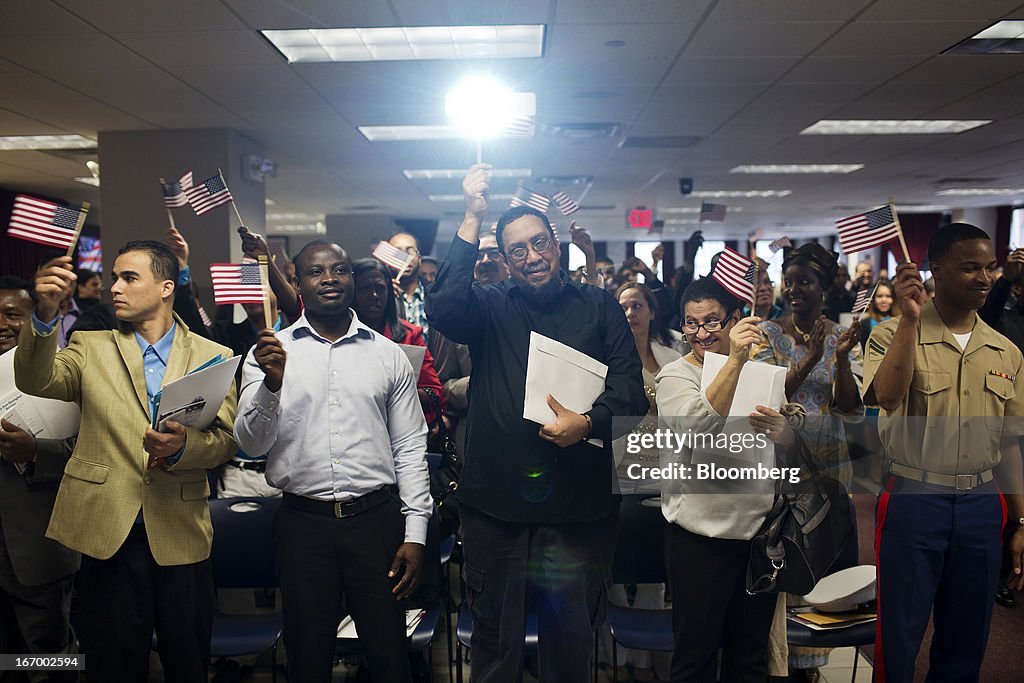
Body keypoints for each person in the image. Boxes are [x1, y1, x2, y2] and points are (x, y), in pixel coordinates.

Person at [427, 164, 648, 682]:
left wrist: (588, 424)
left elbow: (630, 393)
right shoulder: (488, 308)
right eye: (517, 250)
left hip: (578, 512)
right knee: (495, 648)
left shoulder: (599, 309)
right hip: (495, 512)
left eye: (540, 243)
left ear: (557, 244)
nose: (532, 257)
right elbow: (443, 308)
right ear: (504, 261)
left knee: (570, 650)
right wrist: (472, 216)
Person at [15, 242, 238, 682]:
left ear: (166, 287)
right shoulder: (89, 345)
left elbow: (224, 442)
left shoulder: (215, 355)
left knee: (187, 662)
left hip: (181, 533)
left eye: (129, 278)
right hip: (107, 533)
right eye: (114, 277)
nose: (114, 287)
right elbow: (36, 379)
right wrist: (43, 315)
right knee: (112, 665)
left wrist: (182, 447)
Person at [234, 240, 432, 683]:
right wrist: (271, 385)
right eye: (316, 272)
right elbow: (250, 442)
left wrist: (415, 532)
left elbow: (411, 448)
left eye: (339, 269)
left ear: (353, 279)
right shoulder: (269, 352)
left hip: (376, 522)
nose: (329, 279)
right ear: (298, 283)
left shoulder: (387, 354)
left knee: (389, 657)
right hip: (303, 525)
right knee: (307, 656)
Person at [864, 223, 1024, 682]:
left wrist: (1019, 521)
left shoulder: (1005, 351)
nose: (985, 278)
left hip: (980, 502)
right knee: (899, 634)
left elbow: (1009, 442)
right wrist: (911, 320)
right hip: (914, 498)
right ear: (937, 270)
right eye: (970, 267)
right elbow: (888, 397)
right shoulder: (891, 333)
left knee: (967, 636)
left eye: (990, 267)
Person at [657, 276, 792, 683]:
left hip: (757, 540)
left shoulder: (765, 374)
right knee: (694, 659)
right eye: (691, 324)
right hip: (700, 541)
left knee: (749, 661)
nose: (701, 334)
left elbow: (783, 449)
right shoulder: (674, 376)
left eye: (712, 322)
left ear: (734, 320)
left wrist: (785, 433)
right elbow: (696, 426)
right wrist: (734, 360)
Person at [751, 243, 863, 681]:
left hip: (830, 470)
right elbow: (767, 402)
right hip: (780, 470)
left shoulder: (843, 335)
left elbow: (850, 408)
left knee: (822, 569)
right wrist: (810, 359)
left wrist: (836, 359)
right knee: (784, 565)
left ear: (825, 286)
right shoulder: (767, 334)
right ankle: (778, 660)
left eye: (805, 281)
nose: (794, 289)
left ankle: (811, 668)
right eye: (790, 280)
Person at [0, 276, 80, 680]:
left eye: (13, 315)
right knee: (7, 664)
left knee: (49, 661)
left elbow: (97, 455)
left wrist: (36, 453)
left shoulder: (67, 373)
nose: (1, 324)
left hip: (37, 549)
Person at [605, 281, 685, 680]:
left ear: (652, 312)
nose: (631, 313)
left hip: (664, 465)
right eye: (624, 306)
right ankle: (619, 656)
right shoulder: (607, 358)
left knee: (655, 563)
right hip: (619, 464)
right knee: (619, 561)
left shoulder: (673, 358)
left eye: (638, 305)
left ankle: (649, 658)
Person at [351, 258, 446, 425]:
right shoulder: (339, 334)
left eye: (380, 288)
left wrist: (402, 389)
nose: (374, 295)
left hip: (398, 430)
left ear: (390, 292)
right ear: (352, 292)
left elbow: (436, 393)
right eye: (365, 288)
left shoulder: (409, 335)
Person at [387, 232, 429, 334]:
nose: (405, 257)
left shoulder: (435, 295)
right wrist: (385, 297)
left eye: (410, 252)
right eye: (398, 253)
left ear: (419, 259)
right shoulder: (381, 296)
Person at [859, 279, 899, 350]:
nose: (884, 300)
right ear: (874, 299)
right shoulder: (865, 324)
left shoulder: (900, 322)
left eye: (888, 296)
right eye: (880, 296)